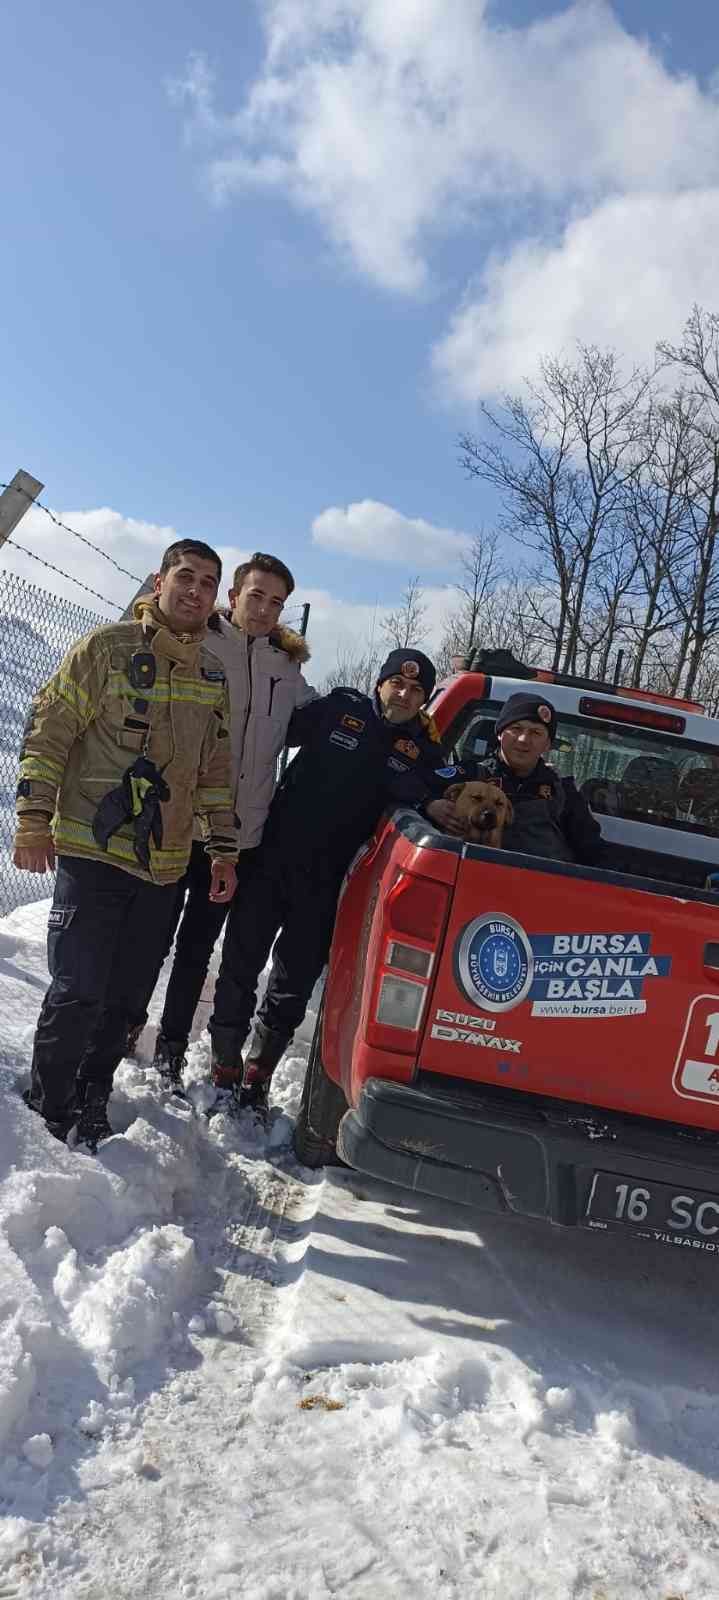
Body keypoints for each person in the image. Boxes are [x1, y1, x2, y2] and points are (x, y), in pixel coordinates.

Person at [14, 540, 238, 1149]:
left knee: (127, 997)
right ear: (159, 579)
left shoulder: (211, 673)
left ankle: (91, 1097)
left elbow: (214, 772)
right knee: (78, 988)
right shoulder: (106, 648)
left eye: (208, 583)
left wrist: (222, 850)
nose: (195, 590)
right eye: (185, 577)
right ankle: (47, 1104)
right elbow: (49, 729)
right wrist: (33, 820)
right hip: (93, 851)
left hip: (165, 867)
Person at [208, 647, 457, 1113]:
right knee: (240, 965)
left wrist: (433, 801)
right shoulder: (342, 709)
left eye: (415, 690)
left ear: (424, 699)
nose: (403, 694)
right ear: (380, 683)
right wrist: (261, 652)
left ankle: (259, 1074)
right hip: (272, 860)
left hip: (329, 884)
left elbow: (445, 792)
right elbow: (273, 721)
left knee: (293, 982)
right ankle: (224, 1062)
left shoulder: (425, 751)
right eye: (396, 684)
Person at [131, 552, 316, 1085]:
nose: (263, 609)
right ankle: (127, 1024)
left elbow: (314, 717)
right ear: (234, 597)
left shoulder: (287, 668)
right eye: (255, 596)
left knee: (197, 945)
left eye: (275, 602)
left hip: (236, 838)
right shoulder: (200, 642)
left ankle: (170, 1045)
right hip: (178, 821)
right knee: (153, 934)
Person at [460, 691, 604, 864]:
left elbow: (592, 850)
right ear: (500, 733)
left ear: (547, 745)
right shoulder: (468, 777)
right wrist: (431, 804)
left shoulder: (562, 793)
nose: (523, 739)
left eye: (536, 733)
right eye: (516, 729)